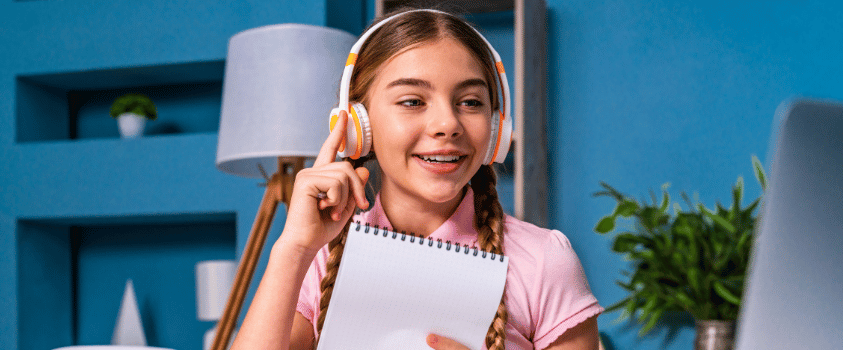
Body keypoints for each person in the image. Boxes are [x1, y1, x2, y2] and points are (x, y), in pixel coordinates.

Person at [232, 8, 603, 350]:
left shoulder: (544, 261)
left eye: (471, 102)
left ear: (496, 127)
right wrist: (294, 248)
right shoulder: (321, 255)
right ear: (359, 124)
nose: (448, 125)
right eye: (412, 101)